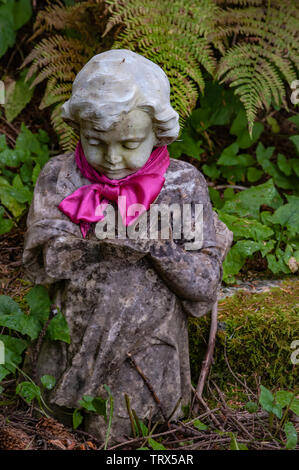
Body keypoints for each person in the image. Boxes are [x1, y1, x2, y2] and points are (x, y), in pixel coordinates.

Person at [23, 50, 232, 441]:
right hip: (71, 346)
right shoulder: (60, 177)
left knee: (118, 433)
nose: (113, 159)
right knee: (49, 428)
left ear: (158, 131)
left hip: (148, 352)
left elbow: (204, 285)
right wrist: (98, 240)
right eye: (95, 142)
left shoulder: (182, 186)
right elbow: (41, 265)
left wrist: (158, 245)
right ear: (79, 130)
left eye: (130, 142)